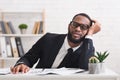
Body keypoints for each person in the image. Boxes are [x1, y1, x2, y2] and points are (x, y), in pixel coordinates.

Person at [11, 13, 101, 74]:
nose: (78, 29)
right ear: (69, 26)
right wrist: (21, 64)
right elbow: (28, 58)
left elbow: (85, 67)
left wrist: (90, 34)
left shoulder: (87, 48)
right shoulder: (48, 39)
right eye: (75, 25)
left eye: (83, 27)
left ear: (88, 31)